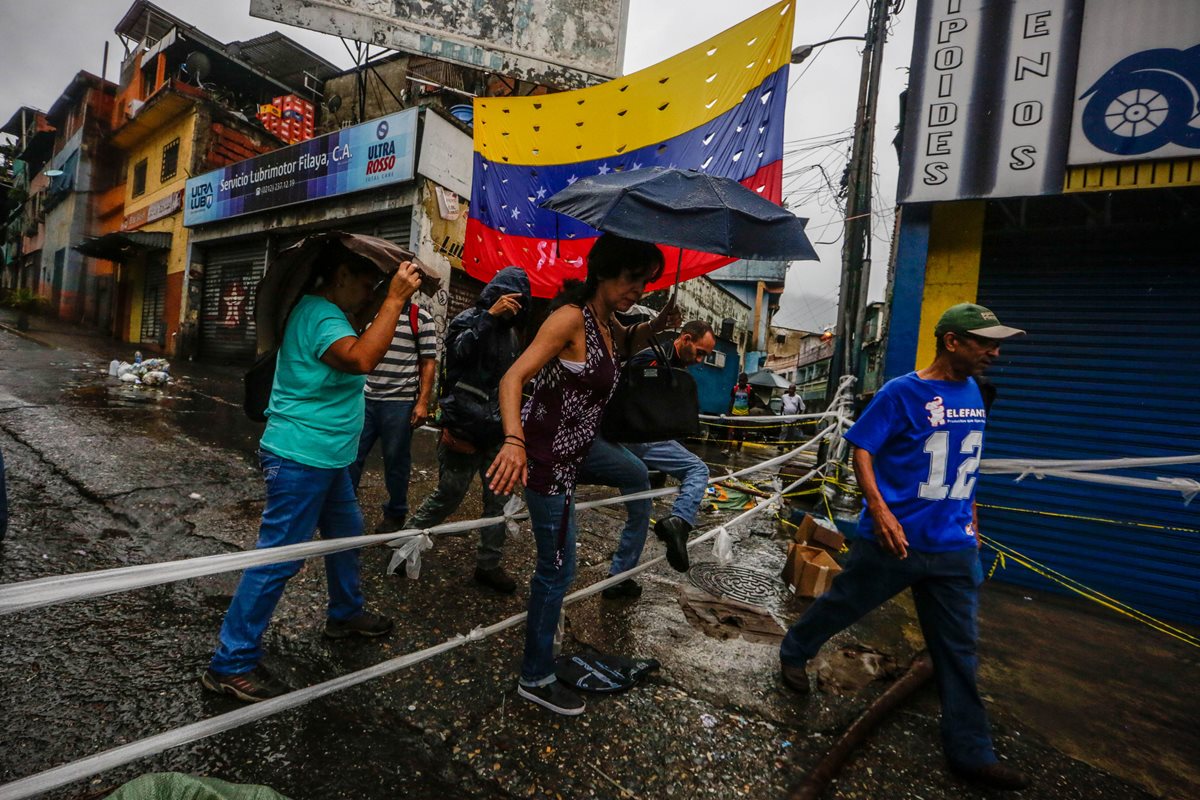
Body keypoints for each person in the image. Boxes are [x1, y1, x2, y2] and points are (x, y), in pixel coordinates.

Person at [778, 303, 1029, 791]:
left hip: (954, 545)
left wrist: (972, 517)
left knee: (958, 648)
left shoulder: (976, 392)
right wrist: (881, 510)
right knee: (844, 604)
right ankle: (796, 647)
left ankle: (971, 751)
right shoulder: (902, 392)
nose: (995, 352)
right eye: (985, 343)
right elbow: (863, 446)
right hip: (897, 540)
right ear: (952, 341)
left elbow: (965, 464)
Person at [202, 242, 423, 703]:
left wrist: (382, 304)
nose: (369, 293)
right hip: (303, 457)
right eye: (365, 284)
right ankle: (230, 662)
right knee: (278, 557)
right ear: (341, 275)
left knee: (347, 534)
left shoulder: (327, 313)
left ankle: (345, 612)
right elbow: (362, 359)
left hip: (328, 458)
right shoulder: (321, 316)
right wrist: (395, 300)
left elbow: (358, 346)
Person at [487, 233, 678, 716]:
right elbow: (512, 378)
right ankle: (535, 674)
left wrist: (661, 324)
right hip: (548, 456)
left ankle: (625, 567)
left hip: (583, 448)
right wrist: (514, 443)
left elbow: (613, 367)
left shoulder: (607, 324)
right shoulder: (569, 318)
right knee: (557, 569)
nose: (639, 289)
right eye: (633, 279)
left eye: (646, 282)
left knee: (638, 476)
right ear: (604, 272)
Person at [397, 267, 531, 594]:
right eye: (509, 299)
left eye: (520, 302)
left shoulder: (513, 335)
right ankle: (403, 545)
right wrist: (489, 317)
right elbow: (456, 358)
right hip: (463, 428)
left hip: (496, 432)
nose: (514, 306)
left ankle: (489, 565)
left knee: (498, 501)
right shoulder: (467, 319)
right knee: (449, 495)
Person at [579, 320, 717, 597]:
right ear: (685, 339)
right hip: (635, 438)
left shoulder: (670, 363)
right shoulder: (651, 359)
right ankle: (679, 521)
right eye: (700, 352)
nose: (701, 360)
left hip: (636, 437)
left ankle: (619, 577)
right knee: (697, 469)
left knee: (641, 512)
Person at [347, 278, 437, 535]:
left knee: (396, 461)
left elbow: (428, 363)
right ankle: (343, 507)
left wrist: (422, 403)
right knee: (351, 455)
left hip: (399, 402)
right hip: (366, 398)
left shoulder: (422, 319)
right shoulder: (370, 315)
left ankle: (396, 513)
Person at [724, 372, 752, 453]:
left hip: (744, 416)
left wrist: (748, 406)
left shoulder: (750, 390)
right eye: (740, 381)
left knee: (741, 434)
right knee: (731, 432)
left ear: (746, 381)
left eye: (743, 381)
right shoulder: (735, 389)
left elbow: (753, 402)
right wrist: (729, 413)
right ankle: (727, 449)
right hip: (734, 414)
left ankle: (738, 450)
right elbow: (732, 401)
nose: (741, 383)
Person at [778, 383, 806, 451]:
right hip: (784, 417)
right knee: (783, 431)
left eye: (792, 389)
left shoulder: (798, 398)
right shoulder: (784, 397)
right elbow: (782, 406)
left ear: (794, 390)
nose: (790, 390)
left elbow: (802, 408)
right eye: (789, 389)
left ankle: (789, 446)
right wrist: (781, 415)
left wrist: (798, 417)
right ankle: (781, 445)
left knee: (791, 433)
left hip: (793, 419)